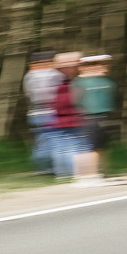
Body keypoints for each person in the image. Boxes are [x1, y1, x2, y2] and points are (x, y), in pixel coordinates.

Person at [73, 54, 116, 183]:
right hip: (90, 117)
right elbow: (76, 100)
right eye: (98, 65)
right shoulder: (81, 82)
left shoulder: (107, 81)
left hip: (105, 116)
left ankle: (101, 172)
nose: (104, 67)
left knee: (102, 146)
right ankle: (90, 174)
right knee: (92, 147)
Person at [46, 51, 87, 181]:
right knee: (74, 146)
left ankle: (62, 174)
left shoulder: (53, 81)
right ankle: (75, 172)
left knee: (59, 148)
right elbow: (77, 100)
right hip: (72, 118)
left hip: (57, 119)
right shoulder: (75, 83)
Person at [24, 50, 64, 176]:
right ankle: (54, 168)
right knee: (55, 140)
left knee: (40, 141)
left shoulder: (29, 76)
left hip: (35, 112)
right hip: (51, 111)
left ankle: (41, 168)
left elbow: (27, 93)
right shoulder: (56, 74)